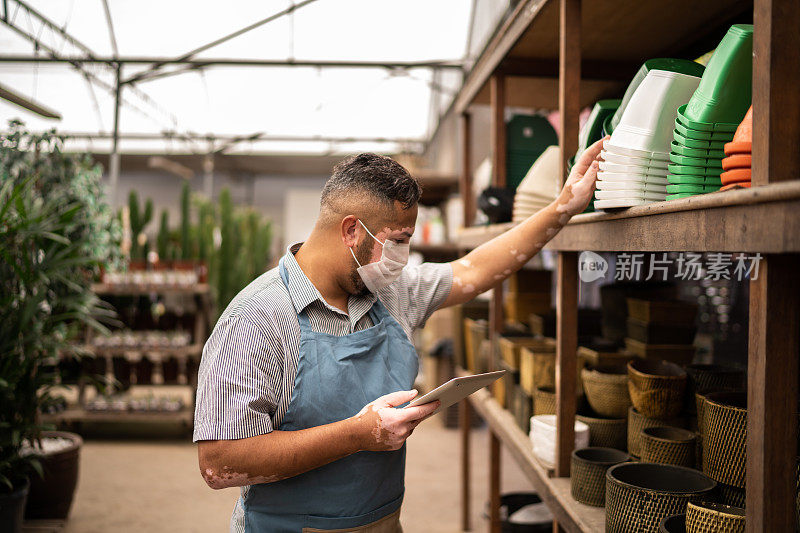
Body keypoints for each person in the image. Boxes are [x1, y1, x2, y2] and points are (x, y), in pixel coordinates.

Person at [194, 139, 604, 533]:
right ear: (351, 230)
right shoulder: (255, 321)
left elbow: (475, 270)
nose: (403, 258)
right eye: (397, 242)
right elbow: (218, 463)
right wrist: (359, 434)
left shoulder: (390, 293)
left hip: (382, 522)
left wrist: (562, 209)